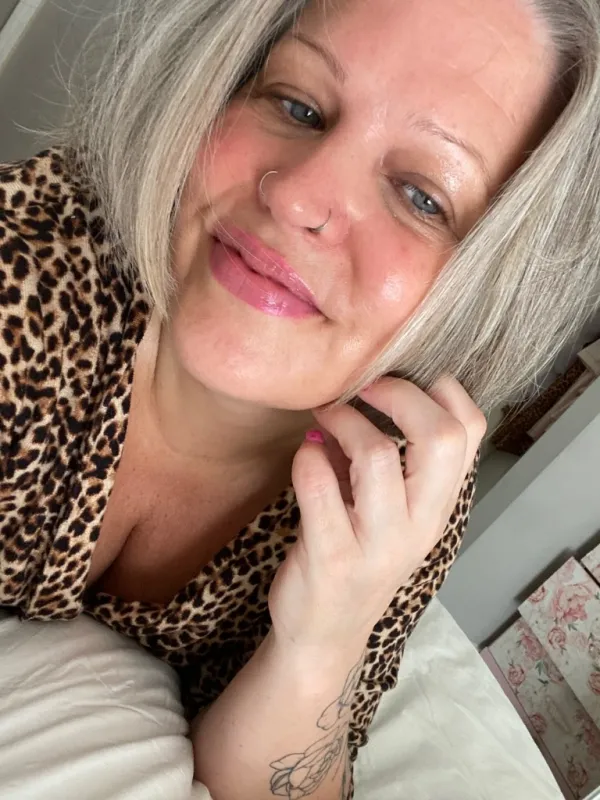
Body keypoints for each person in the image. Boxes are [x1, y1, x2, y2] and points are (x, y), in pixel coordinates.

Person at [0, 0, 599, 797]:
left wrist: (324, 642)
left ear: (492, 290)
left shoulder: (400, 480)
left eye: (421, 196)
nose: (295, 198)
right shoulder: (25, 275)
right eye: (298, 105)